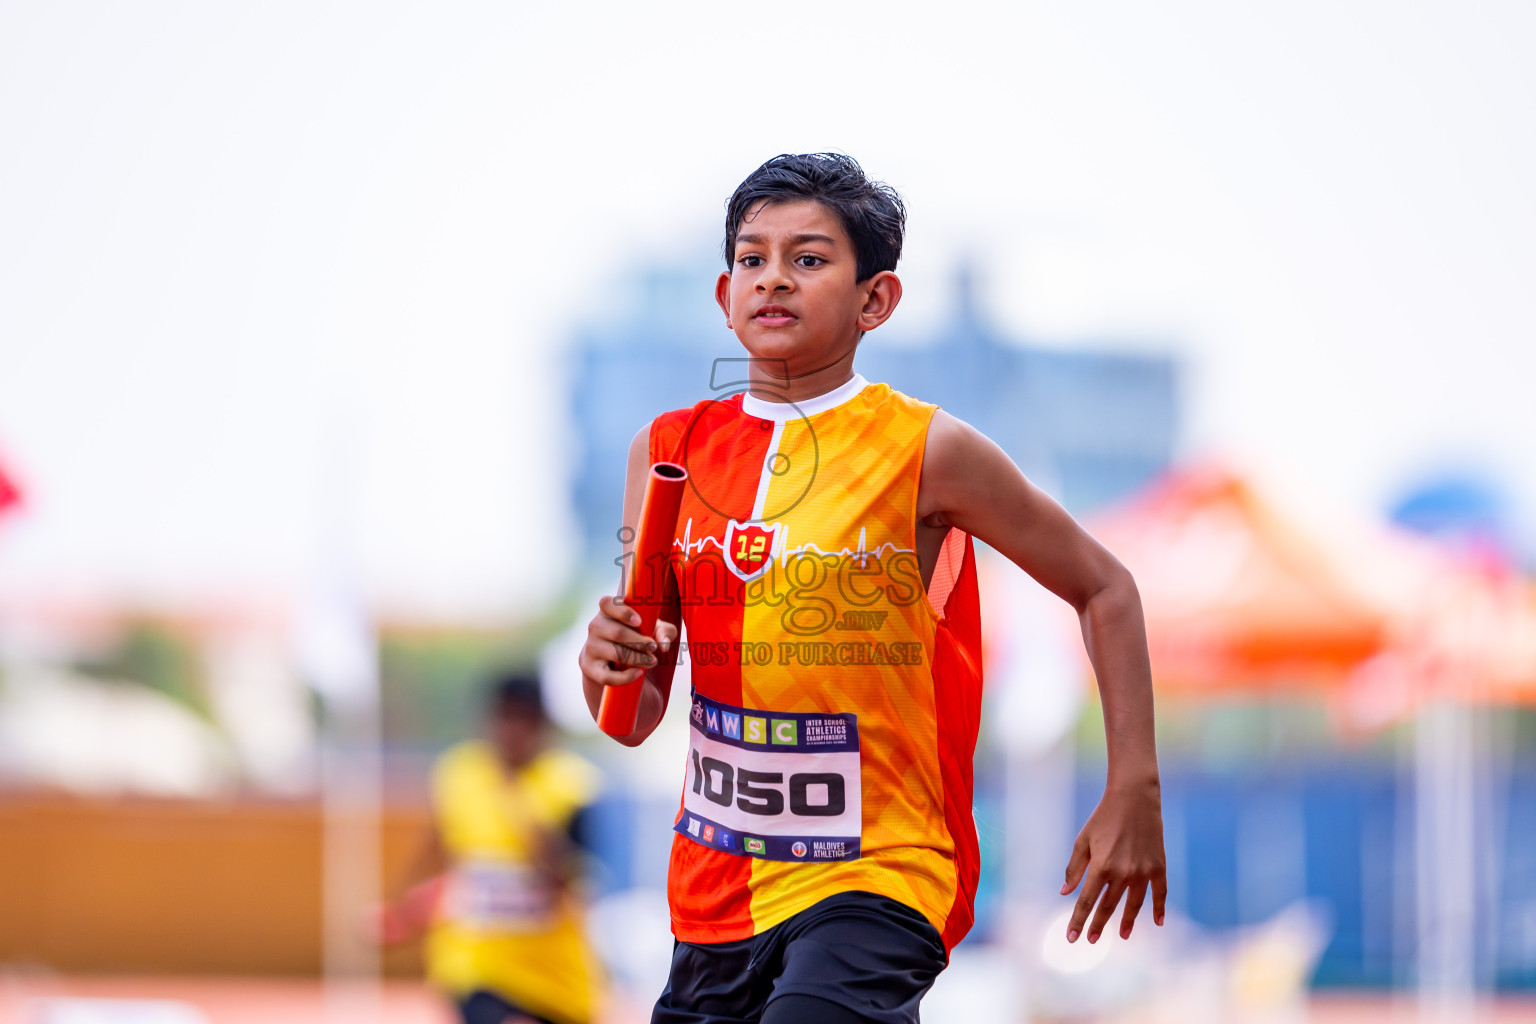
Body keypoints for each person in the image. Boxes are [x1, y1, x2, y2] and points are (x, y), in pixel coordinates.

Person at [578, 153, 1166, 1024]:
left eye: (809, 259)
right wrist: (606, 660)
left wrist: (1134, 788)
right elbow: (629, 715)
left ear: (875, 300)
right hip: (716, 886)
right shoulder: (666, 450)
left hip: (878, 872)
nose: (774, 278)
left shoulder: (929, 450)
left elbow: (1105, 587)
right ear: (723, 291)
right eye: (752, 257)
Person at [378, 673, 605, 1024]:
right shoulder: (459, 773)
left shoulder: (573, 785)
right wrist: (400, 909)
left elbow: (571, 879)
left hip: (555, 978)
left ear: (541, 725)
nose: (510, 731)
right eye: (502, 717)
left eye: (522, 719)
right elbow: (437, 847)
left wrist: (520, 808)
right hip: (475, 966)